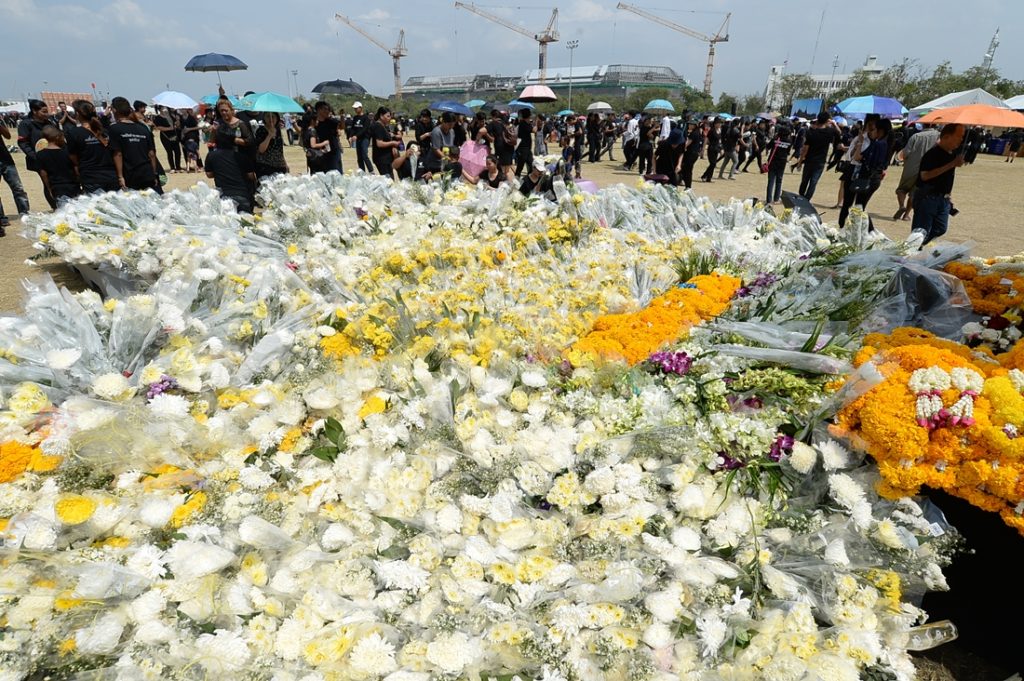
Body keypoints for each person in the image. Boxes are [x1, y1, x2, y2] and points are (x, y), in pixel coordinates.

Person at [909, 123, 965, 247]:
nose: (961, 139)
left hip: (942, 199)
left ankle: (919, 246)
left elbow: (947, 178)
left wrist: (949, 195)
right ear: (946, 136)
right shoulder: (933, 153)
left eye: (962, 136)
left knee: (941, 228)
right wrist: (952, 164)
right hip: (928, 197)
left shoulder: (952, 154)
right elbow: (925, 176)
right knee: (920, 231)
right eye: (958, 136)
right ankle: (912, 251)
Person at [838, 118, 891, 228]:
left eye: (874, 128)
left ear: (880, 130)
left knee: (856, 208)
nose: (871, 130)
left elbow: (857, 157)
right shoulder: (883, 144)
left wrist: (861, 142)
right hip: (868, 177)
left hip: (865, 178)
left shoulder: (878, 144)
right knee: (857, 207)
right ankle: (852, 229)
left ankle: (866, 231)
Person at [107, 97, 161, 194]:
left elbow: (118, 154)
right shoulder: (143, 129)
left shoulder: (114, 129)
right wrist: (154, 173)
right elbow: (152, 153)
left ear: (114, 110)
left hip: (130, 174)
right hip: (147, 172)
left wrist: (120, 176)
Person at [66, 99, 119, 195]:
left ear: (77, 114)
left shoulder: (73, 133)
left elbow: (73, 157)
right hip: (111, 174)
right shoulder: (105, 131)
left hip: (91, 177)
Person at [893, 123, 939, 222]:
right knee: (914, 194)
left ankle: (901, 206)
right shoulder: (939, 136)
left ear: (923, 125)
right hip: (927, 170)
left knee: (902, 189)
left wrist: (901, 158)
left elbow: (906, 152)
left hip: (911, 167)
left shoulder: (916, 136)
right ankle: (906, 215)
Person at [18, 99, 56, 208]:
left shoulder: (49, 123)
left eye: (46, 111)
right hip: (38, 160)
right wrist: (36, 156)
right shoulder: (26, 124)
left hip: (53, 157)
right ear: (34, 111)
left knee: (56, 181)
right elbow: (23, 143)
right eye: (43, 112)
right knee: (47, 183)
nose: (46, 114)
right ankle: (54, 207)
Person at [791, 112, 837, 201]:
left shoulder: (810, 132)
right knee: (813, 182)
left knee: (804, 180)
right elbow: (839, 132)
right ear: (827, 120)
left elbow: (805, 149)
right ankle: (807, 200)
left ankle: (801, 196)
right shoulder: (830, 132)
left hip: (809, 160)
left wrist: (800, 162)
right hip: (820, 162)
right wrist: (834, 124)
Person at [35, 125, 80, 205]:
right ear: (57, 137)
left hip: (56, 187)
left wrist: (48, 188)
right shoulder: (67, 152)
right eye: (62, 137)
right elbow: (76, 168)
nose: (64, 139)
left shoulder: (40, 154)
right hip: (72, 185)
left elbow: (43, 174)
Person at [206, 146, 257, 213]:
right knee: (246, 221)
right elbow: (251, 176)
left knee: (227, 221)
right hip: (242, 194)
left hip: (224, 196)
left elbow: (209, 174)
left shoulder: (212, 155)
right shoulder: (242, 156)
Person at [0, 117, 30, 229]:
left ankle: (25, 213)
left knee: (18, 188)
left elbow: (8, 136)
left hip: (5, 159)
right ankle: (2, 219)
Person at [423, 112, 463, 181]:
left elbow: (451, 146)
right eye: (449, 125)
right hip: (436, 163)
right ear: (443, 122)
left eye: (452, 125)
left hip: (446, 163)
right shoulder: (436, 132)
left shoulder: (452, 131)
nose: (451, 127)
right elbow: (436, 149)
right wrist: (447, 158)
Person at [253, 112, 289, 179]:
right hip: (265, 166)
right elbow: (261, 150)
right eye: (268, 116)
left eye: (273, 117)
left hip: (279, 166)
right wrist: (269, 136)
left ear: (277, 118)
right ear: (264, 118)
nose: (271, 119)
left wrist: (285, 164)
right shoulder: (260, 130)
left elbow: (280, 150)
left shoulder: (278, 130)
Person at [369, 107, 402, 178]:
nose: (389, 118)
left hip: (386, 158)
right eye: (388, 116)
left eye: (390, 116)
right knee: (388, 181)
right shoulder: (378, 126)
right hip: (382, 159)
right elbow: (379, 143)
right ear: (381, 116)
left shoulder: (383, 126)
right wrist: (393, 143)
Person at [765, 126, 793, 205]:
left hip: (772, 162)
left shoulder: (775, 140)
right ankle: (776, 199)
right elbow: (788, 152)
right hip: (782, 163)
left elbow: (768, 147)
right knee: (779, 181)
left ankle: (768, 200)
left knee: (771, 181)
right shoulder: (789, 141)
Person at [314, 101, 344, 173]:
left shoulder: (331, 121)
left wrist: (342, 117)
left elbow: (342, 127)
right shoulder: (314, 123)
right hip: (320, 153)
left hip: (333, 152)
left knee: (336, 173)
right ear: (319, 110)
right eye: (325, 109)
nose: (328, 111)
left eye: (328, 109)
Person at [152, 106, 181, 173]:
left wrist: (178, 120)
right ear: (160, 109)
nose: (165, 109)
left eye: (165, 108)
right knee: (169, 152)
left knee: (177, 152)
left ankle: (178, 167)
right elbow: (158, 127)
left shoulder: (171, 116)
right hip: (165, 137)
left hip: (174, 135)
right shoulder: (158, 118)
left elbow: (177, 125)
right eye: (163, 108)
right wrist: (169, 128)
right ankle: (172, 167)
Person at [348, 102, 372, 172]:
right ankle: (362, 172)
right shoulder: (355, 118)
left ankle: (371, 171)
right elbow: (353, 128)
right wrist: (350, 136)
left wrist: (356, 135)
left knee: (364, 155)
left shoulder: (366, 118)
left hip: (365, 139)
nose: (355, 109)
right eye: (354, 108)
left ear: (361, 108)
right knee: (359, 157)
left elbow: (364, 129)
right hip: (357, 139)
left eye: (356, 108)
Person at [679, 119, 703, 189]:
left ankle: (687, 185)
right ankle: (686, 184)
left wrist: (680, 148)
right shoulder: (697, 132)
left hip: (691, 154)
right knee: (687, 170)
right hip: (694, 153)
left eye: (691, 124)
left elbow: (687, 144)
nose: (689, 125)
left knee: (687, 170)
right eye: (689, 124)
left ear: (695, 126)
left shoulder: (694, 133)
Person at [180, 108, 202, 172]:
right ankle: (188, 167)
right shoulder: (180, 118)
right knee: (186, 152)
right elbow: (181, 128)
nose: (182, 110)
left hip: (193, 136)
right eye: (181, 109)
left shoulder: (191, 118)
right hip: (185, 137)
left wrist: (189, 129)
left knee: (195, 151)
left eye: (184, 109)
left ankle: (200, 165)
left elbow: (198, 127)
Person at [514, 108, 534, 177]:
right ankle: (516, 178)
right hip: (523, 148)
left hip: (527, 148)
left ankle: (530, 177)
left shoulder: (525, 123)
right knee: (520, 165)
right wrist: (537, 122)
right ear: (528, 115)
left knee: (531, 164)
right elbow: (534, 130)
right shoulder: (523, 124)